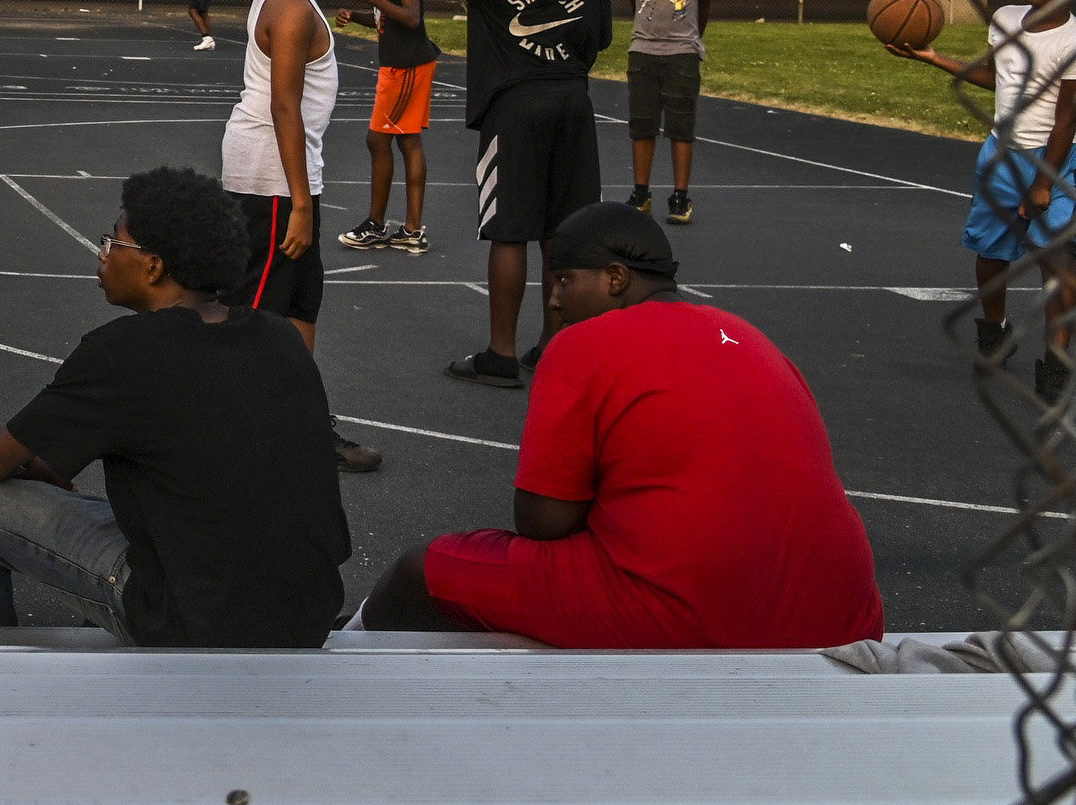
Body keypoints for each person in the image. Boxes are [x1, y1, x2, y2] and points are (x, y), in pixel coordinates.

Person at [353, 205, 883, 649]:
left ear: (614, 278)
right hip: (840, 615)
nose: (554, 300)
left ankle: (335, 669)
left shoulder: (584, 345)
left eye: (563, 280)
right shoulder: (748, 336)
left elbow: (544, 522)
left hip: (691, 612)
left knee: (423, 570)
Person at [0, 165, 349, 647]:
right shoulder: (279, 336)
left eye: (114, 242)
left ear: (152, 267)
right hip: (306, 613)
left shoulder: (122, 350)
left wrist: (38, 464)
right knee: (161, 508)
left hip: (196, 622)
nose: (103, 254)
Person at [365, 0, 614, 391]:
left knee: (509, 232)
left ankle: (501, 354)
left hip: (515, 107)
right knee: (561, 231)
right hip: (573, 104)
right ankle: (554, 345)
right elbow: (598, 44)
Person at [885, 0, 1076, 402]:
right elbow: (998, 78)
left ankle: (1057, 362)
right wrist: (932, 57)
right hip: (1001, 154)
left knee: (1057, 262)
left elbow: (1066, 119)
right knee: (989, 250)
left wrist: (1043, 184)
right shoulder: (1005, 19)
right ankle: (995, 331)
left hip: (1058, 159)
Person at [219, 0, 377, 475]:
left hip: (290, 174)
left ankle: (304, 424)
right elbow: (284, 106)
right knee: (250, 312)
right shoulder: (291, 8)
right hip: (270, 177)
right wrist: (302, 206)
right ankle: (222, 429)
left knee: (300, 305)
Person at [337, 0, 436, 256]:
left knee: (379, 141)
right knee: (405, 142)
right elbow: (387, 17)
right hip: (397, 63)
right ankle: (410, 230)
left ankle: (378, 225)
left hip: (406, 65)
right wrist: (360, 13)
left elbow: (411, 17)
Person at [621, 0, 714, 223]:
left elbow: (702, 11)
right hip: (643, 54)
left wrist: (687, 42)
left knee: (680, 127)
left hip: (681, 56)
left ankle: (680, 197)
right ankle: (640, 192)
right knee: (642, 125)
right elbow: (634, 3)